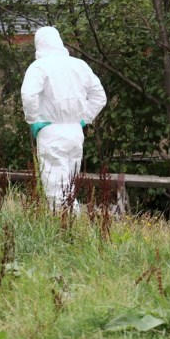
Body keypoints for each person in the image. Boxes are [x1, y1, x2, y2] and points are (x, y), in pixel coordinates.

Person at [20, 26, 107, 209]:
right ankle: (73, 229)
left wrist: (33, 120)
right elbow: (100, 97)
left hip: (51, 130)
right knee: (69, 185)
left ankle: (67, 230)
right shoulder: (79, 65)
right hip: (75, 132)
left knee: (56, 189)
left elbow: (28, 96)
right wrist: (84, 119)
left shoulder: (39, 66)